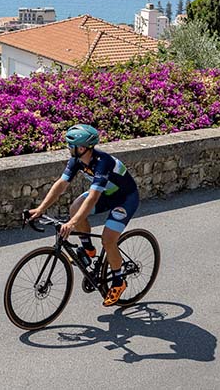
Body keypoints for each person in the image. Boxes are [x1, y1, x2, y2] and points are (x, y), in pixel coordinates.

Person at [29, 124, 140, 307]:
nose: (68, 148)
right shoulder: (77, 160)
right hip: (106, 195)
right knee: (75, 207)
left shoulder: (103, 163)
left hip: (125, 199)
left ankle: (119, 281)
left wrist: (72, 224)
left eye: (70, 145)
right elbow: (61, 185)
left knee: (108, 240)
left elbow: (93, 198)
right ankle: (88, 249)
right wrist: (40, 209)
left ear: (81, 148)